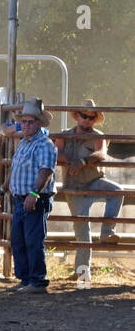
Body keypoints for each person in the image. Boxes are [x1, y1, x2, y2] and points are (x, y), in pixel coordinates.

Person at [52, 99, 123, 278]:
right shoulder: (64, 135)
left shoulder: (99, 135)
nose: (87, 120)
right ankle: (82, 275)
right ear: (77, 116)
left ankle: (107, 231)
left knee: (117, 191)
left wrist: (82, 162)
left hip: (93, 181)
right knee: (83, 232)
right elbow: (55, 152)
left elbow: (101, 153)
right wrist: (67, 159)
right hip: (73, 186)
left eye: (91, 117)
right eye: (84, 116)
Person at [0, 97, 56, 293]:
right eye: (24, 121)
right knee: (18, 240)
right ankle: (26, 279)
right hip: (20, 198)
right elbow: (15, 170)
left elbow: (46, 171)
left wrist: (34, 193)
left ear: (39, 123)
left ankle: (37, 281)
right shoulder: (24, 143)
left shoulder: (44, 144)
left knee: (33, 240)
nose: (26, 125)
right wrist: (2, 190)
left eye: (31, 122)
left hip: (35, 199)